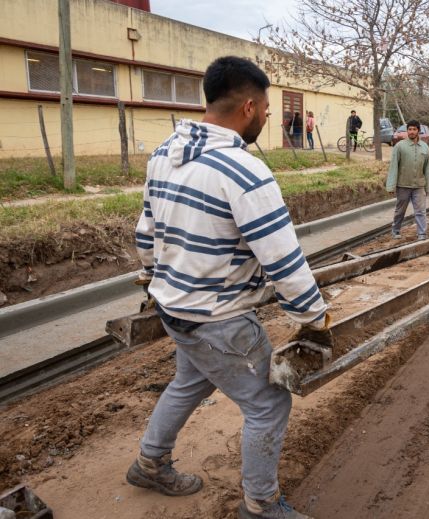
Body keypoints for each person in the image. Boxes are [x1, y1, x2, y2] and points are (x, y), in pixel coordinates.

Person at [128, 56, 329, 519]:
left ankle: (150, 462)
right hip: (217, 319)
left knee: (189, 382)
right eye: (266, 110)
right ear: (250, 108)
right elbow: (282, 258)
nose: (266, 117)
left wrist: (156, 277)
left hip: (173, 305)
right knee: (268, 403)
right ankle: (260, 505)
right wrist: (313, 320)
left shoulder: (163, 154)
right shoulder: (244, 171)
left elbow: (146, 234)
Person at [386, 119, 429, 240]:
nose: (411, 132)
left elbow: (427, 168)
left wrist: (427, 187)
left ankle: (422, 233)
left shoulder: (425, 147)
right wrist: (391, 185)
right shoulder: (400, 146)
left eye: (414, 129)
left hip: (419, 185)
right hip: (403, 185)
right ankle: (395, 230)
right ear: (407, 131)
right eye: (409, 129)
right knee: (400, 211)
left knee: (421, 211)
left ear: (418, 131)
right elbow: (394, 166)